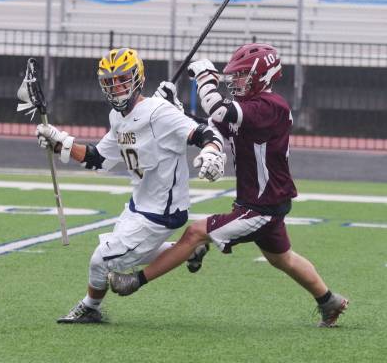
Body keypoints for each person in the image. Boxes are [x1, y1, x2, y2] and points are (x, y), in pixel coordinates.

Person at [108, 43, 349, 328]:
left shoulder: (270, 106)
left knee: (196, 232)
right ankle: (329, 301)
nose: (235, 81)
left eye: (243, 75)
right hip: (264, 201)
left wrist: (206, 77)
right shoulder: (249, 108)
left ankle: (135, 281)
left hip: (261, 206)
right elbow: (209, 125)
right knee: (283, 259)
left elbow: (220, 113)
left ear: (263, 75)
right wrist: (171, 108)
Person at [36, 47, 226, 323]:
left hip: (162, 211)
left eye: (122, 79)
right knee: (133, 254)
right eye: (110, 82)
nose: (116, 88)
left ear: (138, 78)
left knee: (101, 260)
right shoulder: (118, 117)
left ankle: (90, 307)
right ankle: (190, 249)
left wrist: (210, 152)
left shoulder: (159, 112)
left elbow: (206, 133)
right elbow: (99, 159)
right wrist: (60, 142)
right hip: (139, 205)